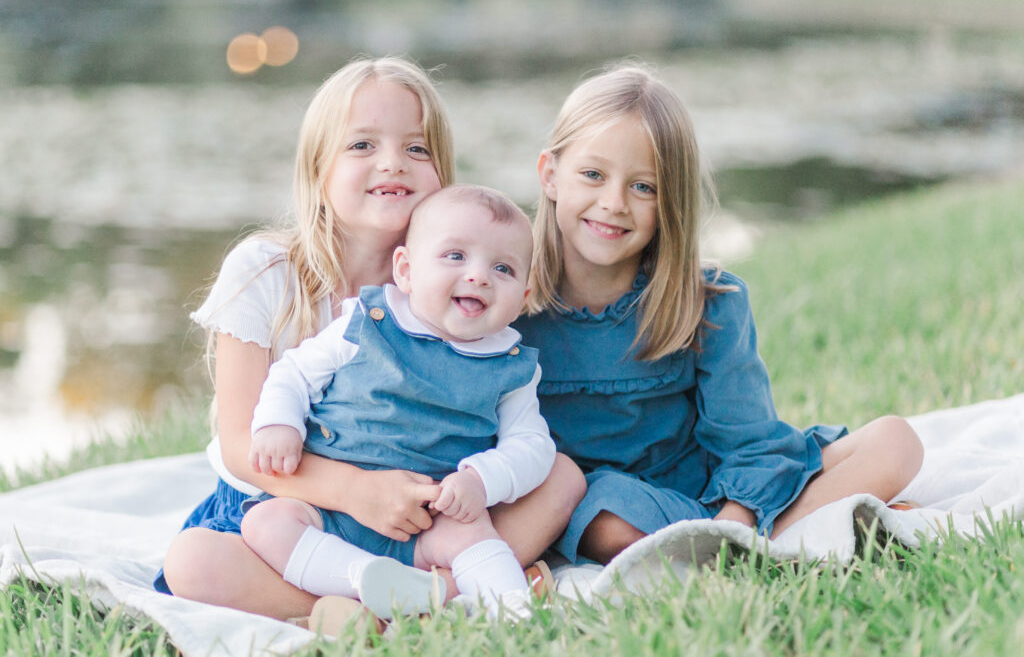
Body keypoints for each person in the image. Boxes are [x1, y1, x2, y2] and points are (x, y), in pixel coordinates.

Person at [159, 57, 586, 621]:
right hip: (292, 504)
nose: (392, 162)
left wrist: (472, 485)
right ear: (318, 168)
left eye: (417, 148)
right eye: (362, 145)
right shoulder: (265, 271)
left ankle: (402, 598)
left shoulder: (458, 282)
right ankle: (426, 599)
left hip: (429, 511)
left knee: (562, 478)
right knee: (192, 562)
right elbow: (242, 446)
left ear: (442, 174)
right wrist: (358, 493)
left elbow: (500, 405)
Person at [513, 62, 924, 565]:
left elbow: (749, 440)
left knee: (898, 443)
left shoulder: (708, 302)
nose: (614, 202)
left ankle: (743, 543)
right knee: (608, 525)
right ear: (550, 175)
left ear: (671, 201)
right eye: (593, 175)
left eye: (644, 187)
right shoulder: (509, 302)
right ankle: (786, 533)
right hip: (611, 506)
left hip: (722, 487)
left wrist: (738, 514)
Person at [240, 184, 552, 620]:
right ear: (405, 270)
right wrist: (279, 424)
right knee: (266, 523)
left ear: (522, 298)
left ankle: (516, 614)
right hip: (330, 510)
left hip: (430, 519)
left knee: (475, 536)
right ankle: (367, 579)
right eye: (456, 256)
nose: (479, 276)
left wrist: (481, 480)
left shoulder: (511, 366)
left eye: (503, 268)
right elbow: (294, 373)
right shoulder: (367, 321)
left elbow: (532, 446)